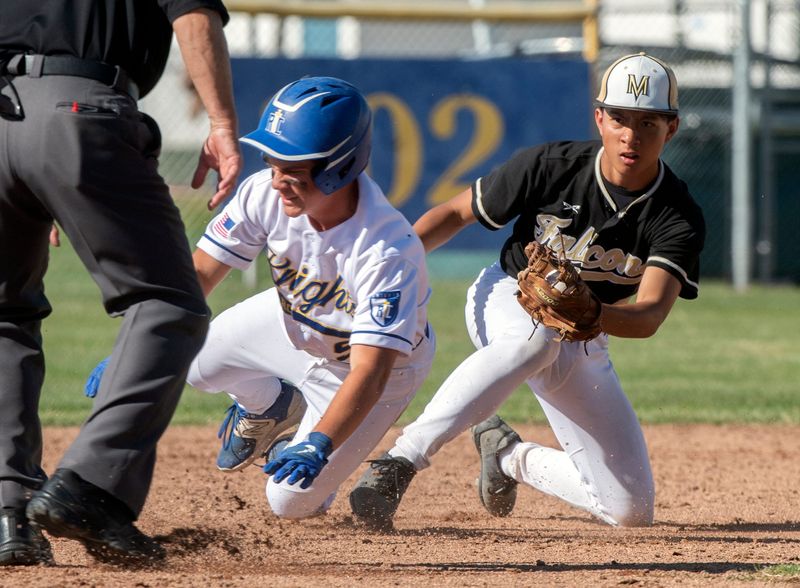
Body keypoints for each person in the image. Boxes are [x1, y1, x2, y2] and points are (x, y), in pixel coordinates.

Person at [349, 53, 706, 531]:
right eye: (619, 118)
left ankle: (509, 457)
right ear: (599, 118)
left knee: (629, 511)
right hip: (507, 295)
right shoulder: (552, 166)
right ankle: (399, 461)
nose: (631, 135)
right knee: (535, 340)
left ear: (672, 128)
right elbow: (454, 215)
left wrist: (591, 311)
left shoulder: (676, 214)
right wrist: (395, 271)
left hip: (585, 333)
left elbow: (648, 315)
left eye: (648, 122)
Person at [0, 0, 241, 566]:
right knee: (168, 302)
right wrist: (223, 124)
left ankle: (8, 513)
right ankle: (90, 488)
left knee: (6, 316)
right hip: (79, 109)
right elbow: (192, 15)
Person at [185, 76, 435, 520]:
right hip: (293, 321)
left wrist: (320, 443)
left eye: (294, 169)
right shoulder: (265, 191)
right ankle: (272, 406)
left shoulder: (385, 250)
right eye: (272, 161)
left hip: (368, 369)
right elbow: (201, 272)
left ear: (339, 168)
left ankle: (317, 463)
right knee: (183, 360)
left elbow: (369, 373)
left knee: (288, 502)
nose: (277, 179)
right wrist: (144, 344)